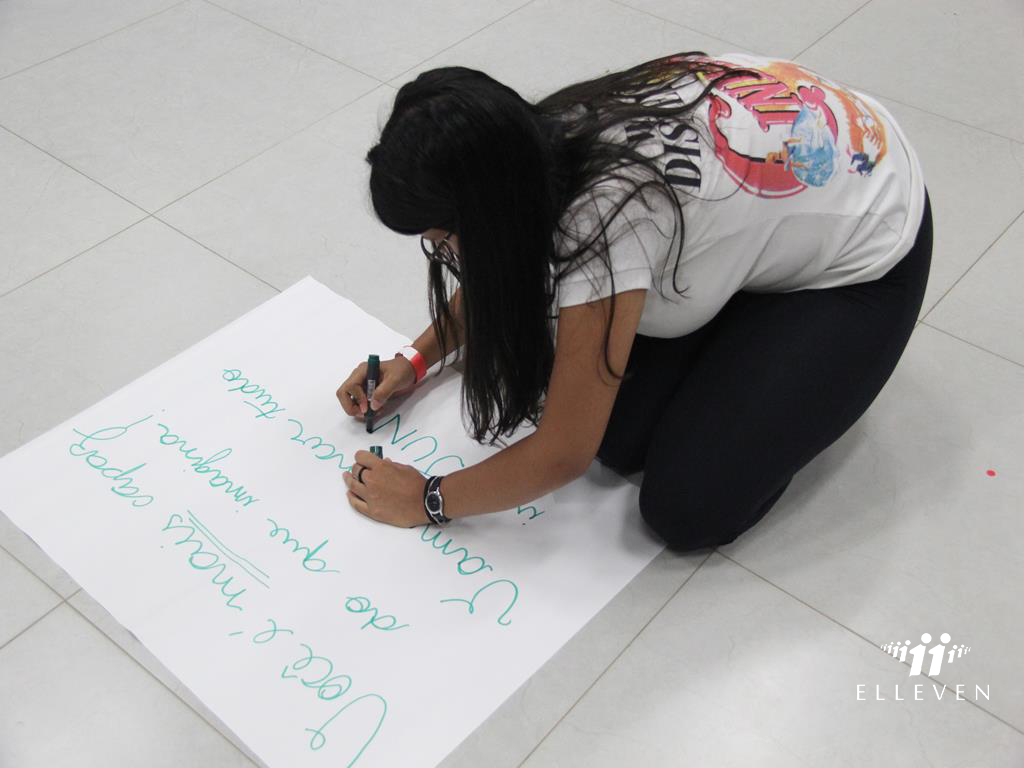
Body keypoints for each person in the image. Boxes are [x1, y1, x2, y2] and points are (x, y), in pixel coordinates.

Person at [336, 50, 932, 551]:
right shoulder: (527, 142)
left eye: (443, 237)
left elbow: (563, 453)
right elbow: (501, 260)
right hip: (773, 187)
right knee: (620, 435)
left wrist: (428, 499)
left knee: (690, 504)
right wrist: (416, 359)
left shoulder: (606, 224)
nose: (443, 251)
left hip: (865, 239)